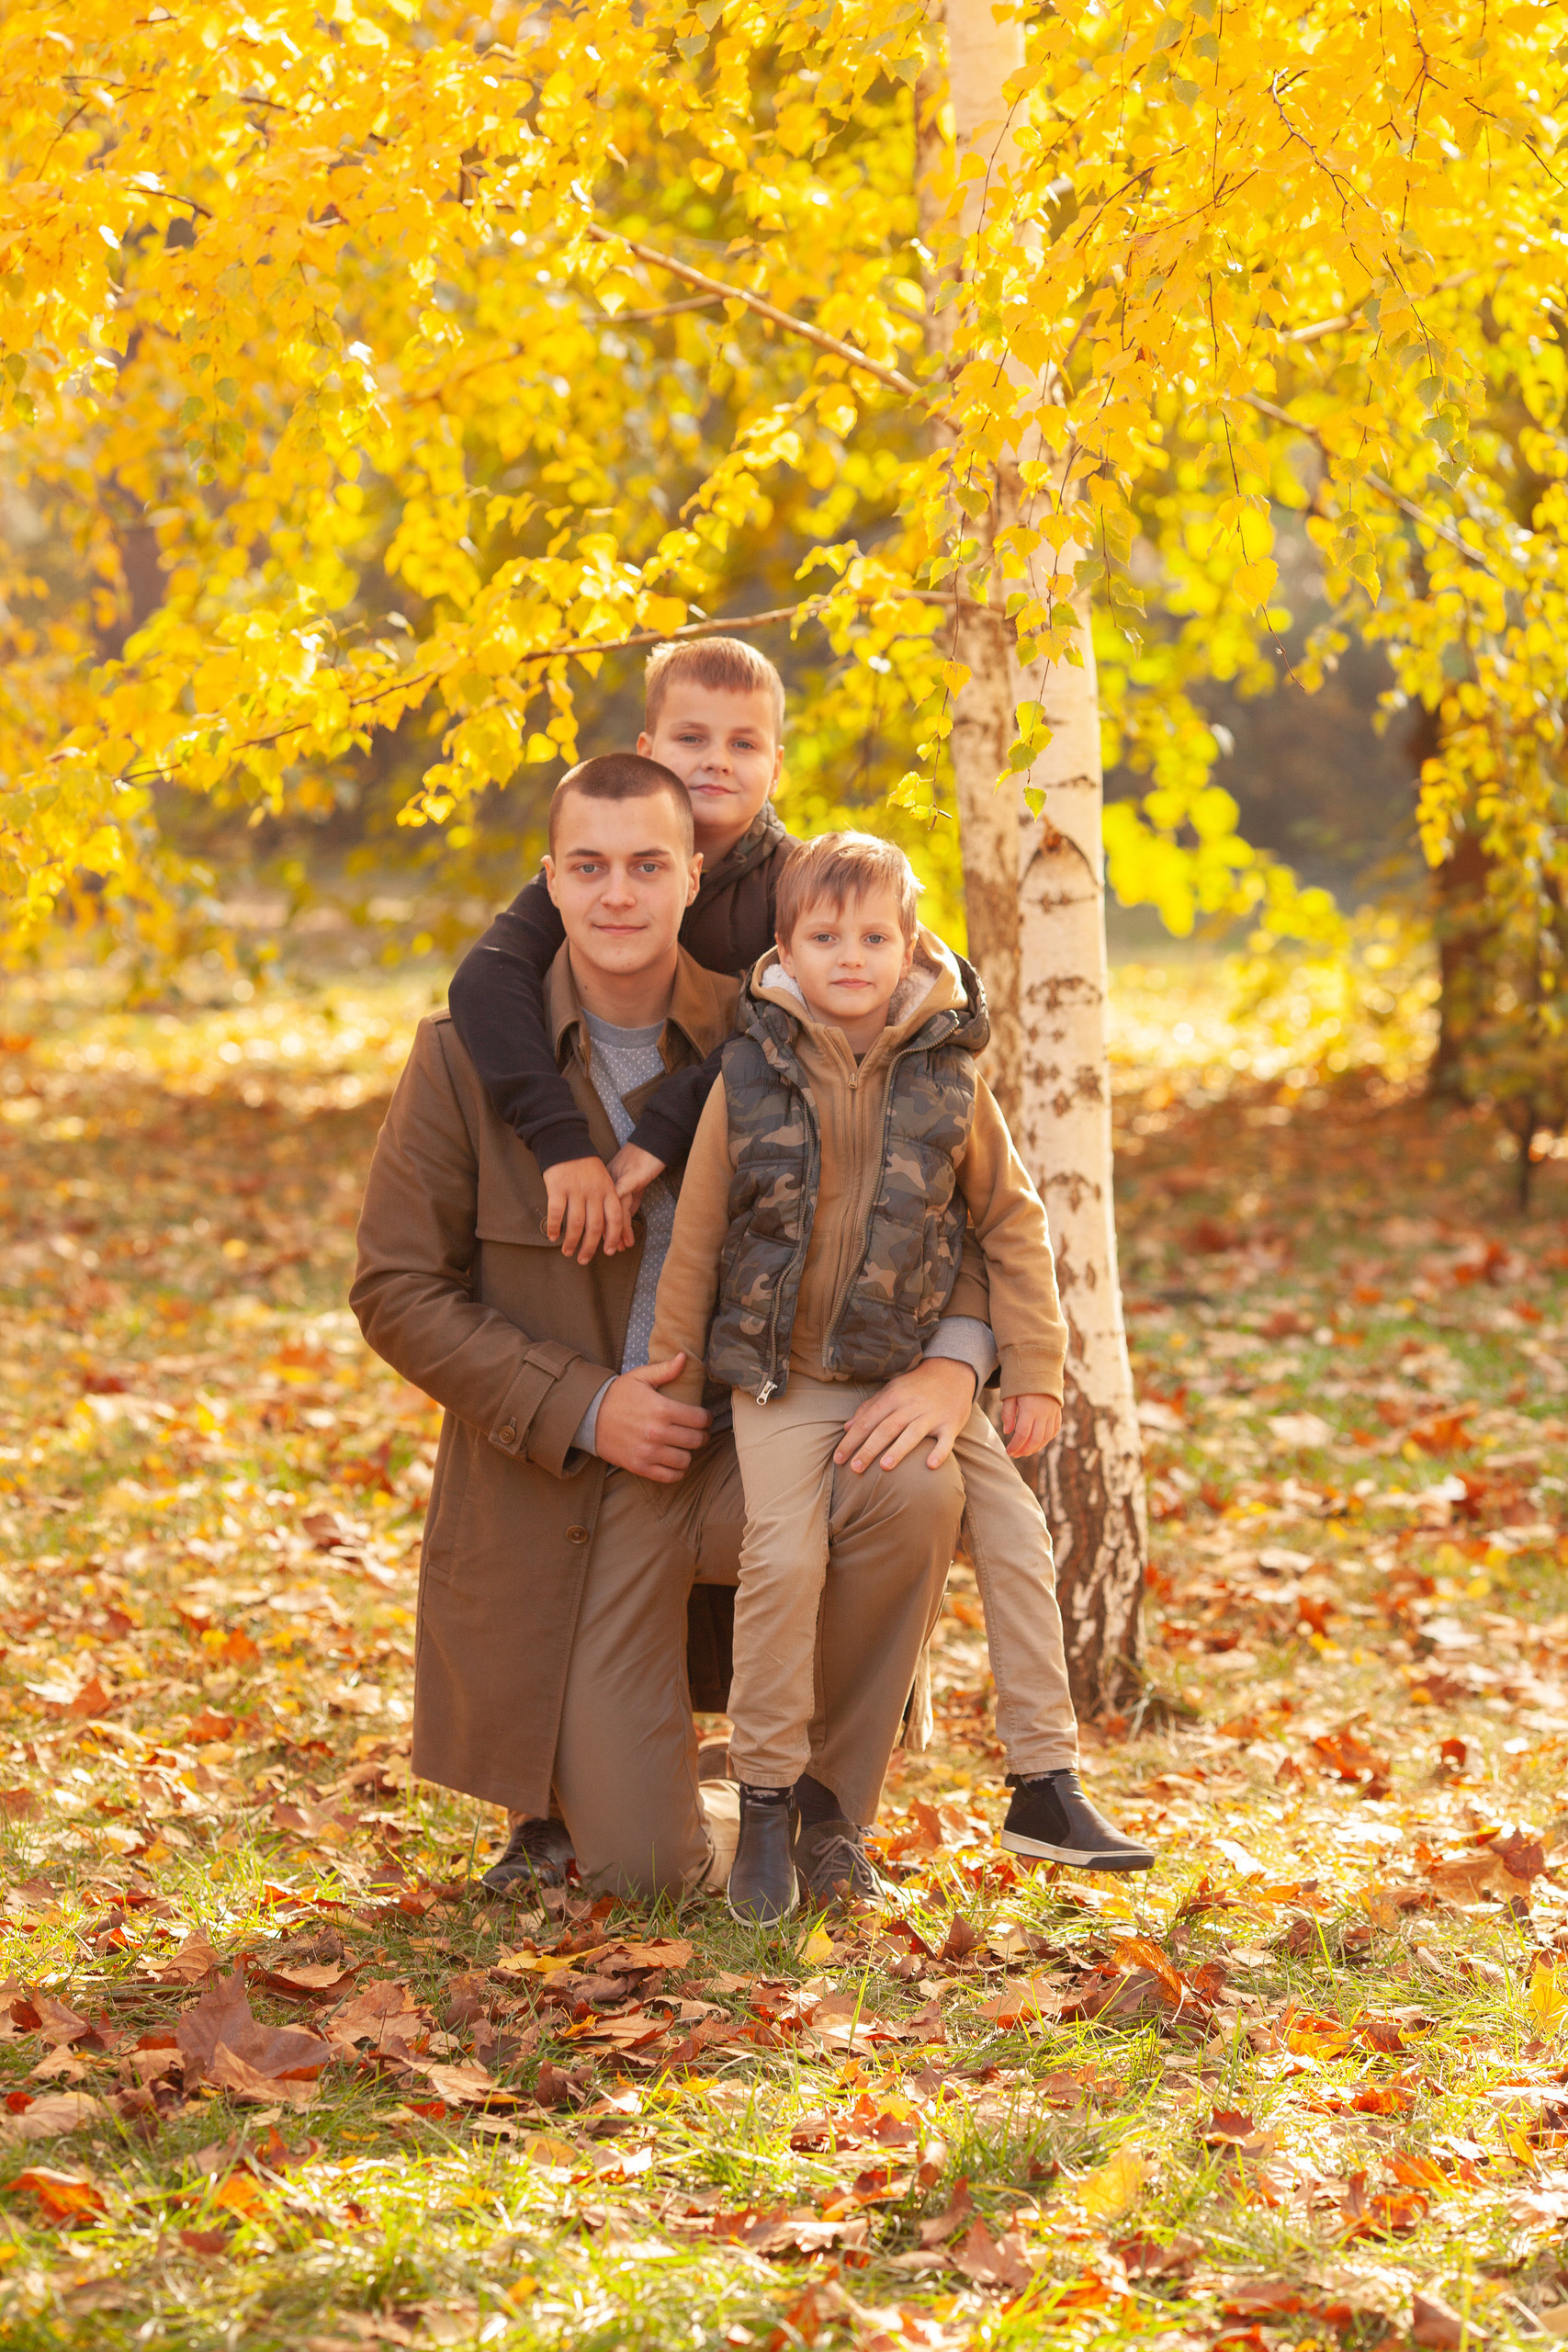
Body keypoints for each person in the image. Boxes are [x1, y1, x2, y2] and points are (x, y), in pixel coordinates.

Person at [352, 754, 987, 1900]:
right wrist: (586, 1405)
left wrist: (954, 1365)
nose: (619, 896)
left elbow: (971, 1208)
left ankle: (824, 1812)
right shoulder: (458, 1060)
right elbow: (395, 1289)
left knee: (913, 1486)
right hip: (567, 1493)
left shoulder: (793, 1024)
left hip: (753, 1455)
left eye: (650, 865)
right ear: (550, 879)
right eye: (588, 867)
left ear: (696, 877)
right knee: (644, 1875)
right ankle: (615, 1801)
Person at [649, 832, 1154, 1922]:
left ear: (911, 943)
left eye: (875, 937)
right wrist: (672, 1368)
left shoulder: (949, 1073)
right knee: (781, 1555)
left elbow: (1012, 1226)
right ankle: (771, 1794)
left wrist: (1034, 1368)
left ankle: (1044, 1782)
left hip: (910, 1368)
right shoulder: (752, 1071)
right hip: (783, 1379)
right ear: (784, 948)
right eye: (824, 937)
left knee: (1019, 1533)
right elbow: (697, 1232)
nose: (850, 957)